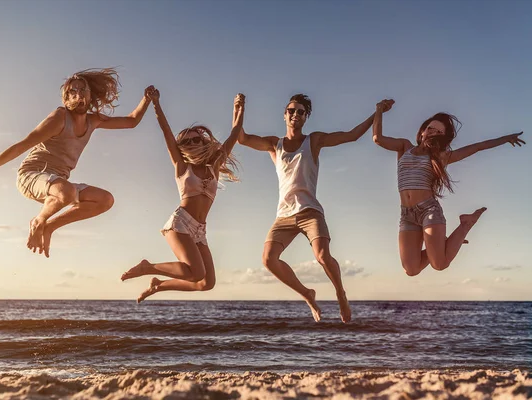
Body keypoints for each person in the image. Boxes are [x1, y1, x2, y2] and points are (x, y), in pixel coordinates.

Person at [0, 68, 154, 257]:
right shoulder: (59, 118)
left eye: (83, 91)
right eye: (73, 92)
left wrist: (147, 99)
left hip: (58, 182)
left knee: (105, 200)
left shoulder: (94, 121)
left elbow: (131, 121)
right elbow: (22, 145)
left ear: (90, 96)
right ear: (66, 99)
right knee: (66, 193)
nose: (78, 95)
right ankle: (38, 221)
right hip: (31, 175)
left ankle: (50, 226)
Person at [238, 94, 393, 323]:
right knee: (268, 259)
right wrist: (239, 109)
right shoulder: (274, 144)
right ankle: (307, 294)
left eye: (300, 112)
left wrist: (378, 111)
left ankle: (340, 293)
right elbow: (241, 138)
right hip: (284, 215)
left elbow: (352, 135)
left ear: (305, 117)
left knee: (322, 256)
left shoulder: (314, 140)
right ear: (284, 114)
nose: (295, 115)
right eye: (291, 110)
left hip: (310, 212)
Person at [372, 101, 525, 276]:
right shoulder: (404, 146)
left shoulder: (441, 157)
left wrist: (505, 139)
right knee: (411, 269)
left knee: (440, 264)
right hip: (406, 214)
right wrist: (379, 111)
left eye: (438, 132)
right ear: (422, 131)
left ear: (441, 138)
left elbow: (477, 147)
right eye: (430, 128)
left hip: (428, 210)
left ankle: (466, 223)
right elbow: (377, 139)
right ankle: (440, 242)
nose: (432, 132)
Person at [120, 91, 245, 302]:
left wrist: (239, 108)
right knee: (196, 273)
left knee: (207, 283)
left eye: (197, 139)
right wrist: (156, 104)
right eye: (188, 142)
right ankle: (147, 267)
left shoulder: (214, 166)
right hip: (180, 224)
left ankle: (159, 285)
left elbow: (234, 134)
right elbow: (166, 131)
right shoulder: (181, 166)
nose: (194, 143)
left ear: (203, 142)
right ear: (182, 148)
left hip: (199, 229)